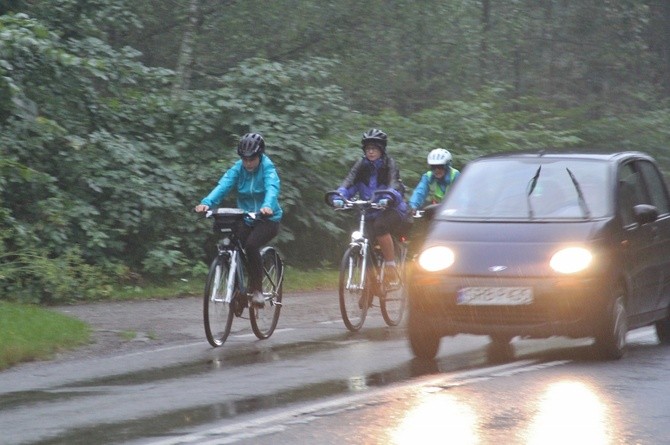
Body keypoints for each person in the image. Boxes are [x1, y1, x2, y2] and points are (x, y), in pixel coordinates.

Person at [194, 133, 282, 306]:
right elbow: (224, 185)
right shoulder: (238, 168)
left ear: (260, 156)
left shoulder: (268, 168)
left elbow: (272, 187)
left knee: (251, 245)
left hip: (268, 218)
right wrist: (206, 203)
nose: (248, 163)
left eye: (252, 159)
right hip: (247, 217)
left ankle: (257, 290)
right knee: (232, 244)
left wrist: (267, 205)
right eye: (244, 159)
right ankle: (238, 291)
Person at [329, 128, 409, 285]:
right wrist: (339, 197)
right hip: (369, 210)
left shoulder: (389, 164)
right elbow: (349, 183)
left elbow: (394, 185)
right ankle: (368, 287)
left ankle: (391, 265)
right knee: (363, 238)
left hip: (391, 208)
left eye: (374, 149)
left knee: (380, 227)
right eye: (368, 149)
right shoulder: (360, 165)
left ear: (381, 150)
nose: (370, 152)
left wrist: (387, 198)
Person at [408, 148, 460, 212]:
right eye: (433, 167)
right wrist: (413, 206)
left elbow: (463, 196)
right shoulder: (428, 177)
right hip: (436, 211)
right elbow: (419, 192)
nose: (436, 170)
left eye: (440, 166)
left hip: (454, 211)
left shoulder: (455, 176)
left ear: (447, 166)